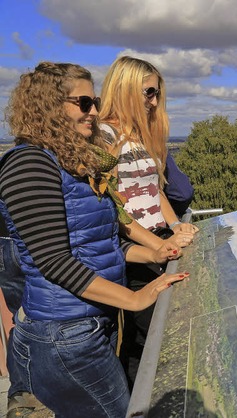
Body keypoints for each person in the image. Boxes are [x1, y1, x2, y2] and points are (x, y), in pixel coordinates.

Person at [1, 62, 187, 417]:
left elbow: (105, 243)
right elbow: (54, 262)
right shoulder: (29, 165)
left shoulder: (74, 163)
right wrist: (134, 299)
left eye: (95, 101)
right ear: (48, 106)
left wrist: (157, 250)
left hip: (88, 325)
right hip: (63, 332)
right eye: (84, 103)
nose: (95, 112)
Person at [99, 56, 199, 383]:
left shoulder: (143, 136)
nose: (154, 102)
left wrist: (174, 226)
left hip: (154, 240)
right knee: (151, 334)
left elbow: (155, 191)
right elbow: (113, 207)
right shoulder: (104, 136)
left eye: (157, 94)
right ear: (125, 89)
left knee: (146, 337)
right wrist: (160, 245)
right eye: (148, 93)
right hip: (131, 249)